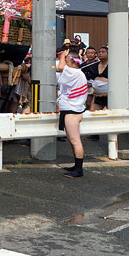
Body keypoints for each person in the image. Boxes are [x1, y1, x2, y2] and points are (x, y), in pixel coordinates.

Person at [56, 47, 88, 178]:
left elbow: (60, 67)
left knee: (75, 141)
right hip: (70, 109)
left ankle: (79, 170)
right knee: (72, 140)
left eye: (66, 60)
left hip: (72, 111)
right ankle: (76, 166)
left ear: (72, 61)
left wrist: (64, 55)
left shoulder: (75, 72)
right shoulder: (75, 73)